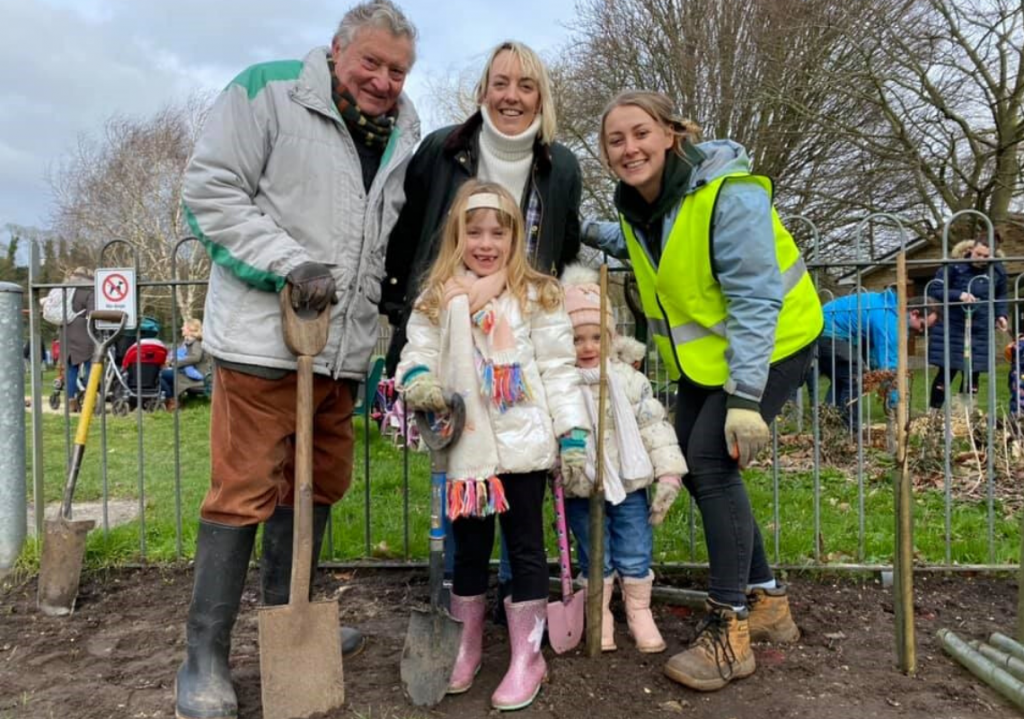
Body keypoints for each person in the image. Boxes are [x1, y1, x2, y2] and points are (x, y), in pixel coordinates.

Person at [174, 3, 420, 718]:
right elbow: (210, 192)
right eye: (370, 63)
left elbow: (379, 237)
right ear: (337, 50)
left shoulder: (402, 130)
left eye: (397, 70)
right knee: (245, 486)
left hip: (338, 353)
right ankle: (205, 654)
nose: (382, 80)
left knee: (315, 485)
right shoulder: (268, 92)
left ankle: (291, 618)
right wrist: (288, 263)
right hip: (263, 343)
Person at [583, 90, 823, 691]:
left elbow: (753, 297)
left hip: (772, 342)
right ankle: (768, 602)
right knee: (693, 464)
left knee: (712, 462)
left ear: (672, 134)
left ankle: (730, 629)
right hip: (709, 360)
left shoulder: (729, 194)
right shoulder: (644, 208)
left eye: (641, 133)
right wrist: (571, 226)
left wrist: (745, 400)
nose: (630, 147)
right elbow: (639, 248)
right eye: (616, 140)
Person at [381, 39, 583, 617]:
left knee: (521, 505)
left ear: (540, 97)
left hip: (520, 341)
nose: (512, 96)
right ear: (483, 91)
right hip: (451, 331)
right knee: (465, 501)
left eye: (526, 86)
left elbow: (561, 248)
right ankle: (467, 609)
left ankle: (519, 611)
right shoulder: (441, 152)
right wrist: (410, 318)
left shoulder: (561, 165)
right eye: (501, 83)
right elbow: (408, 232)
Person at [397, 180, 589, 710]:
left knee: (526, 547)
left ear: (515, 238)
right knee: (471, 550)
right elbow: (419, 350)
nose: (485, 243)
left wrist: (572, 435)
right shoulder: (438, 298)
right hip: (468, 450)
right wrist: (417, 379)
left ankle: (528, 656)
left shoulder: (537, 296)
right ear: (456, 236)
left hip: (525, 446)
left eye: (497, 233)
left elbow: (558, 370)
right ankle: (467, 647)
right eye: (473, 232)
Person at [560, 264, 686, 653]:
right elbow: (551, 428)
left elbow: (654, 426)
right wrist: (563, 453)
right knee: (593, 553)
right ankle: (599, 615)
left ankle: (639, 611)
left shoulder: (629, 380)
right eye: (577, 338)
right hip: (582, 483)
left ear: (611, 337)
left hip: (629, 482)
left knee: (633, 546)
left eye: (597, 336)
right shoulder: (560, 384)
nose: (587, 347)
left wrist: (668, 473)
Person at [819, 291, 936, 428]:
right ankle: (851, 430)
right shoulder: (890, 322)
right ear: (914, 314)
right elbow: (889, 368)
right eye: (922, 325)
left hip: (825, 326)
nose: (921, 331)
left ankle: (829, 423)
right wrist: (896, 403)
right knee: (855, 377)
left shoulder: (890, 308)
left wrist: (875, 370)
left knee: (843, 379)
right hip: (828, 330)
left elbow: (874, 354)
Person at [928, 236, 1008, 409]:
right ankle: (934, 415)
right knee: (946, 372)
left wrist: (1001, 315)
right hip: (953, 326)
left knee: (972, 374)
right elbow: (935, 288)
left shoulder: (998, 270)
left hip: (980, 328)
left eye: (986, 256)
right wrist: (959, 295)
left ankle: (965, 415)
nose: (981, 259)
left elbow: (1001, 295)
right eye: (978, 254)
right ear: (971, 249)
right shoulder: (954, 267)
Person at [60, 267, 95, 412]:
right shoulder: (89, 291)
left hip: (65, 331)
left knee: (70, 369)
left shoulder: (64, 290)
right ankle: (90, 399)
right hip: (84, 331)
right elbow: (92, 313)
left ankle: (71, 402)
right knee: (90, 367)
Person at [160, 319, 211, 411]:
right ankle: (174, 399)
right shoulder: (188, 342)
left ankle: (172, 400)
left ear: (190, 329)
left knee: (159, 375)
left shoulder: (196, 342)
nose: (182, 328)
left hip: (196, 375)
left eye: (184, 326)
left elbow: (196, 358)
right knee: (164, 375)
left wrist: (177, 364)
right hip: (186, 372)